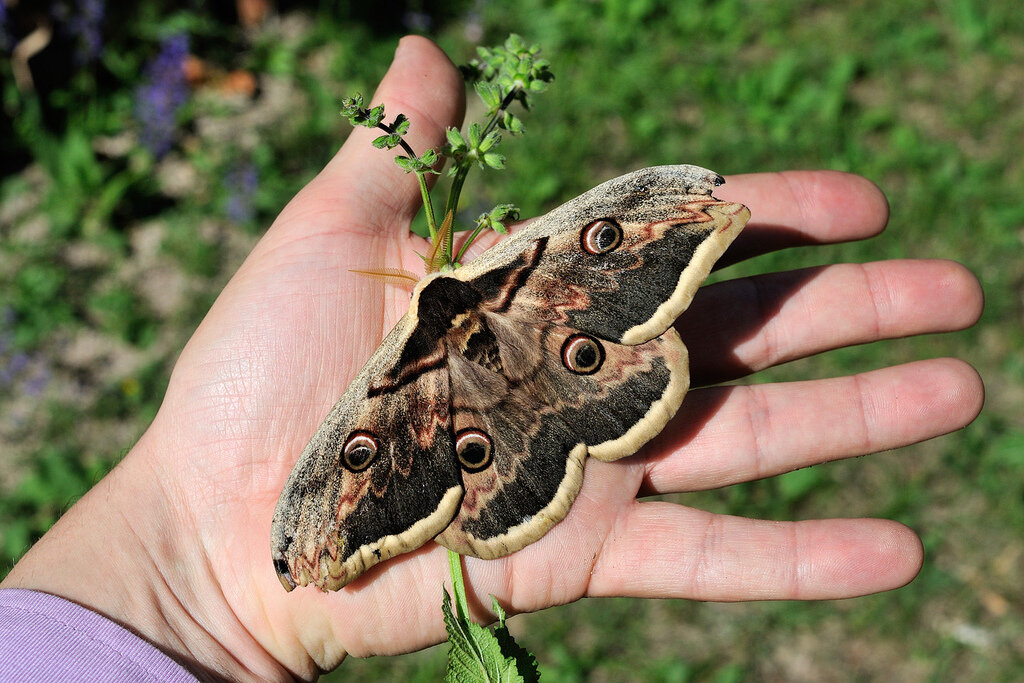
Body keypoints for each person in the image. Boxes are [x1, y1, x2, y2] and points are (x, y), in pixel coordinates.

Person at [0, 36, 984, 681]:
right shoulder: (500, 277)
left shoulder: (397, 367)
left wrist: (679, 208)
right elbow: (329, 488)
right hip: (546, 338)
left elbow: (639, 220)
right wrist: (277, 547)